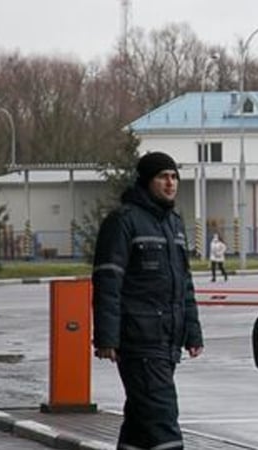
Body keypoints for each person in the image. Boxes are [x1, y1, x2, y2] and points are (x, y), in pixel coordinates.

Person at [92, 151, 204, 450]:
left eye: (174, 176)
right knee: (163, 420)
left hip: (168, 341)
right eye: (162, 177)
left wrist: (192, 332)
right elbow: (108, 282)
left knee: (141, 424)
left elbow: (185, 285)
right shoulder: (123, 222)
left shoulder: (174, 225)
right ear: (146, 181)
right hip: (139, 340)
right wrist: (107, 337)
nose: (170, 183)